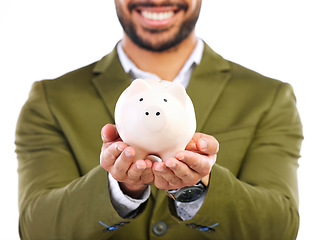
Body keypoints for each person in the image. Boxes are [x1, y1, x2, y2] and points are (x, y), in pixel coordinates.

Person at [15, 0, 303, 239]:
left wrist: (199, 187)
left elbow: (280, 228)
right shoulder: (50, 100)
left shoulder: (268, 97)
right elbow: (36, 229)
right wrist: (120, 189)